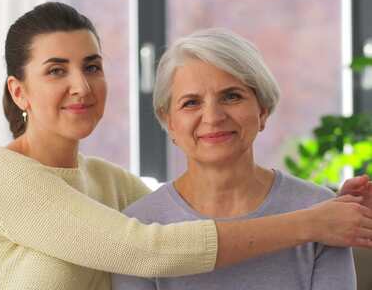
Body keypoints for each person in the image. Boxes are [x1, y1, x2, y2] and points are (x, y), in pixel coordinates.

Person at [0, 2, 372, 290]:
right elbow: (152, 249)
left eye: (92, 66)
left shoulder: (108, 183)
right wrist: (311, 223)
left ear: (263, 109)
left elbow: (192, 210)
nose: (80, 86)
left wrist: (333, 205)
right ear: (19, 91)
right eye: (56, 70)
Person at [112, 28, 363, 290]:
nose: (213, 117)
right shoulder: (140, 227)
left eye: (231, 96)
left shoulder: (320, 209)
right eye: (191, 103)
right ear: (169, 121)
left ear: (262, 110)